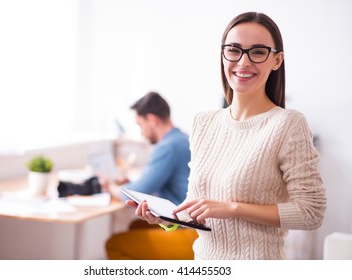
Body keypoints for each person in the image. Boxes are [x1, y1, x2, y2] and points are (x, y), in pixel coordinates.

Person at [127, 12, 327, 260]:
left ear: (276, 60)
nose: (243, 62)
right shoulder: (204, 122)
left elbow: (311, 213)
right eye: (234, 50)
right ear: (223, 55)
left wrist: (233, 209)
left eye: (258, 52)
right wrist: (167, 218)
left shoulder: (288, 124)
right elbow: (195, 204)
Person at [105, 91, 198, 260]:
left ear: (152, 119)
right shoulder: (182, 139)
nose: (141, 133)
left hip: (190, 231)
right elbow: (151, 184)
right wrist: (132, 184)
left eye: (140, 125)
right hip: (189, 224)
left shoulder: (168, 147)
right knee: (135, 226)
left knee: (114, 244)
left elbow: (131, 196)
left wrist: (109, 187)